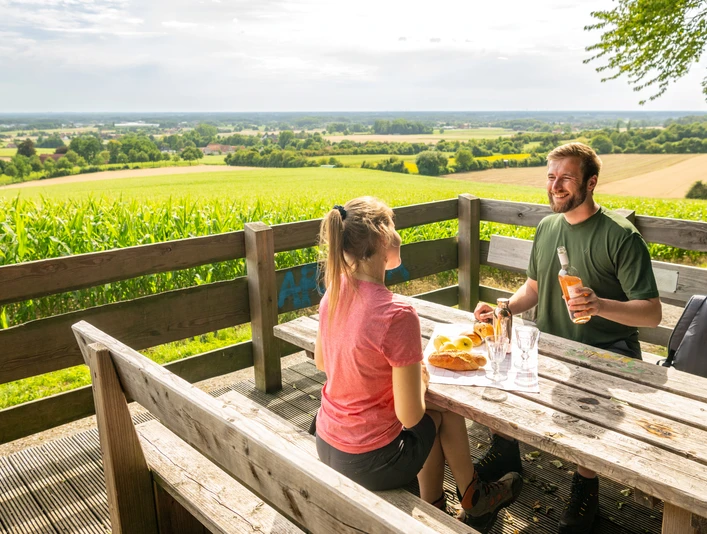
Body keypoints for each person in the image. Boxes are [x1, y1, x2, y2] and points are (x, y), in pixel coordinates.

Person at [474, 143, 662, 533]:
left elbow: (651, 312)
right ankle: (506, 455)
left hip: (609, 350)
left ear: (591, 183)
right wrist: (504, 309)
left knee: (584, 416)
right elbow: (533, 288)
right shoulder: (547, 227)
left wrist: (599, 304)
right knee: (493, 372)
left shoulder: (621, 236)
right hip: (551, 341)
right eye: (551, 176)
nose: (555, 185)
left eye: (566, 178)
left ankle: (585, 487)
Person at [313, 197, 522, 532]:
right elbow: (409, 416)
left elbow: (324, 362)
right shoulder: (397, 313)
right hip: (371, 462)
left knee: (434, 417)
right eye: (394, 226)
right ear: (383, 239)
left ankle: (446, 501)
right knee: (442, 412)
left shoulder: (333, 292)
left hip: (327, 442)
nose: (399, 236)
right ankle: (468, 499)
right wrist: (421, 378)